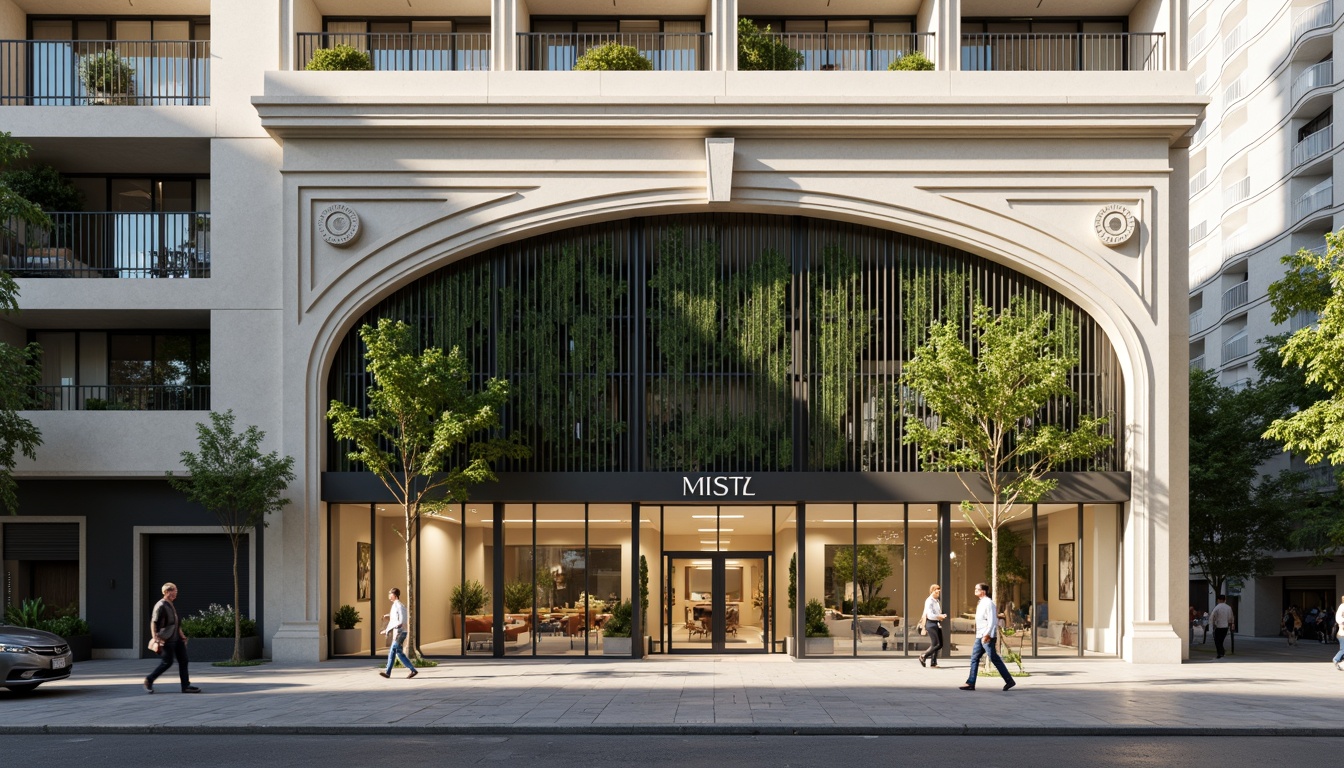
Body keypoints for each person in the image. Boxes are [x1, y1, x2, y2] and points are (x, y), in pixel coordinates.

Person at [143, 582, 201, 694]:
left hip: (176, 639)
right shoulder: (160, 605)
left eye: (176, 591)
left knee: (184, 660)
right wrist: (156, 638)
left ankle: (186, 686)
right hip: (166, 639)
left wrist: (182, 635)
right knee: (167, 662)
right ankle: (149, 680)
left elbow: (174, 623)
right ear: (165, 592)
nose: (175, 593)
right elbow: (154, 622)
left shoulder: (171, 604)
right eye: (173, 591)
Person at [959, 582, 1015, 692]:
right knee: (974, 658)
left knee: (994, 658)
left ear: (983, 591)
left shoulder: (989, 603)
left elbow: (992, 621)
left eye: (977, 589)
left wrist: (988, 634)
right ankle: (971, 682)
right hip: (980, 636)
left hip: (986, 636)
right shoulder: (981, 602)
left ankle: (1009, 680)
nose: (975, 590)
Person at [379, 587, 417, 679]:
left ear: (395, 595)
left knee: (394, 650)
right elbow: (395, 618)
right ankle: (410, 670)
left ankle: (390, 672)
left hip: (400, 632)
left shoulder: (398, 605)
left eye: (390, 594)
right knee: (396, 652)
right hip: (400, 631)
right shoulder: (396, 605)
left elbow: (402, 618)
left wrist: (397, 627)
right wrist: (387, 618)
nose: (389, 596)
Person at [918, 583, 947, 668]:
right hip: (930, 623)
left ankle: (933, 663)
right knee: (936, 644)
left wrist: (941, 616)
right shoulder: (929, 601)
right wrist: (939, 616)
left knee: (939, 644)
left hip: (936, 623)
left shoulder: (937, 601)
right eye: (937, 590)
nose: (939, 592)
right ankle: (923, 656)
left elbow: (936, 613)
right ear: (933, 591)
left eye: (939, 590)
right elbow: (930, 615)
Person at [1209, 594, 1234, 660]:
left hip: (1218, 626)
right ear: (1224, 600)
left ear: (1218, 600)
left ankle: (1220, 653)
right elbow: (1231, 617)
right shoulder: (1228, 607)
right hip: (1225, 626)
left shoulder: (1217, 608)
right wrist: (1231, 624)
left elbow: (1212, 617)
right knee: (1221, 640)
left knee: (1217, 640)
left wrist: (1212, 625)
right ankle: (1221, 652)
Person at [1333, 596, 1344, 671]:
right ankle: (1336, 659)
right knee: (1343, 649)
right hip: (1342, 634)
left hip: (1341, 633)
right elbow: (1339, 619)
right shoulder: (1342, 607)